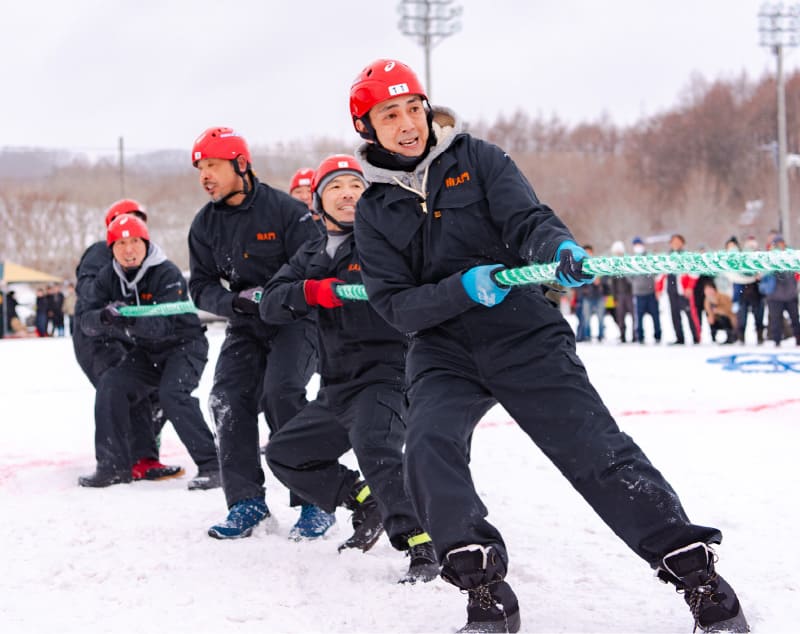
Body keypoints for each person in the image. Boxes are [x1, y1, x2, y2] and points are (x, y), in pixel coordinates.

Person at [349, 58, 748, 633]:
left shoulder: (479, 160)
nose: (408, 122)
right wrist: (460, 289)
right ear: (367, 127)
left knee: (596, 453)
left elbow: (530, 220)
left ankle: (701, 582)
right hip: (443, 351)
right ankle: (484, 593)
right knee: (428, 448)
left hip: (523, 333)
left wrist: (558, 248)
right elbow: (394, 304)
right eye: (390, 114)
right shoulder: (373, 209)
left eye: (414, 107)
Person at [262, 154, 438, 580]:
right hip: (335, 385)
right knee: (286, 454)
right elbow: (270, 303)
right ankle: (363, 500)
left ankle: (420, 543)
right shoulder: (310, 253)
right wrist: (309, 291)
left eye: (356, 187)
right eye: (336, 187)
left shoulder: (383, 242)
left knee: (376, 447)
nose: (347, 194)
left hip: (386, 376)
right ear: (319, 201)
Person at [187, 126, 326, 539]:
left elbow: (315, 263)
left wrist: (279, 294)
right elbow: (201, 286)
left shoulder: (286, 212)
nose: (204, 175)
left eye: (212, 165)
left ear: (241, 165)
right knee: (227, 399)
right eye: (200, 168)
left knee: (281, 393)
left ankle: (314, 500)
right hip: (246, 324)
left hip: (296, 321)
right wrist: (235, 303)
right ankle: (246, 503)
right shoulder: (204, 225)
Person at [77, 215, 219, 487]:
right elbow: (86, 319)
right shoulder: (108, 276)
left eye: (134, 242)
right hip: (146, 352)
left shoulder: (166, 273)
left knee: (172, 394)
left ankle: (213, 465)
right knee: (111, 385)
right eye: (120, 243)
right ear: (111, 249)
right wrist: (104, 318)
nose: (128, 250)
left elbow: (162, 326)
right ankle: (113, 466)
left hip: (184, 346)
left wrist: (127, 319)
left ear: (145, 243)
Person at [659, 234, 700, 345]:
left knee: (689, 314)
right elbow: (660, 275)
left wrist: (690, 287)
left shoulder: (687, 256)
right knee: (674, 314)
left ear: (682, 243)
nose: (676, 244)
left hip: (684, 289)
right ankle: (679, 337)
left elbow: (694, 273)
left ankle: (696, 337)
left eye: (678, 242)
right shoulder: (667, 256)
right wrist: (659, 289)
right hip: (671, 288)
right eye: (674, 242)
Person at [761, 234, 800, 347]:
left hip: (790, 295)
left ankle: (798, 340)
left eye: (780, 244)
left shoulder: (791, 257)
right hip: (774, 297)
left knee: (795, 319)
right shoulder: (769, 258)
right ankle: (776, 341)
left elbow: (796, 274)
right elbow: (763, 274)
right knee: (775, 321)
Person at [630, 237, 662, 344]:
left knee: (655, 316)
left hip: (651, 291)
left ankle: (658, 335)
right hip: (638, 292)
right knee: (638, 317)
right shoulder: (632, 259)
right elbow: (628, 275)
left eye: (639, 244)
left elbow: (656, 272)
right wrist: (635, 281)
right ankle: (640, 337)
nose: (638, 247)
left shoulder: (649, 257)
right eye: (636, 245)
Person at [608, 240, 634, 342]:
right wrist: (614, 297)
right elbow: (613, 284)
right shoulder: (613, 265)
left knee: (634, 316)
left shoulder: (628, 262)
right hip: (619, 295)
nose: (618, 254)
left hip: (630, 294)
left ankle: (635, 335)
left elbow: (632, 280)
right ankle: (623, 335)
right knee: (620, 316)